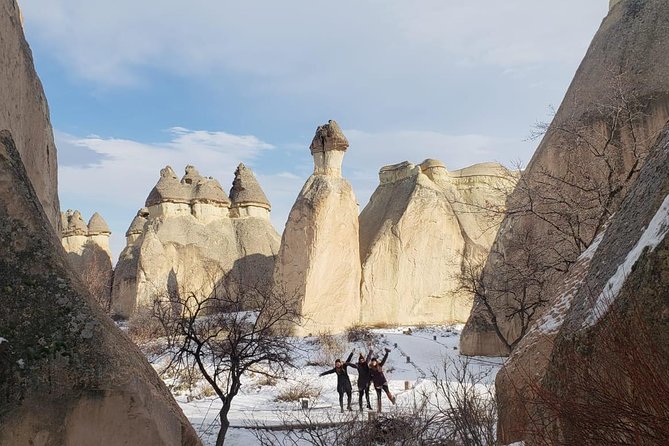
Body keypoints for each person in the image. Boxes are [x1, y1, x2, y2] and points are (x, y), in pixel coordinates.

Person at [369, 347, 395, 413]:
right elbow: (370, 377)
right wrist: (370, 380)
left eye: (374, 361)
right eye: (372, 362)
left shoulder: (380, 365)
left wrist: (387, 353)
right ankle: (379, 409)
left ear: (376, 361)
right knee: (379, 397)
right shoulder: (370, 369)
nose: (373, 362)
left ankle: (392, 399)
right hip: (377, 384)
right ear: (371, 362)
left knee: (387, 392)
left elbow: (384, 359)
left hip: (383, 382)